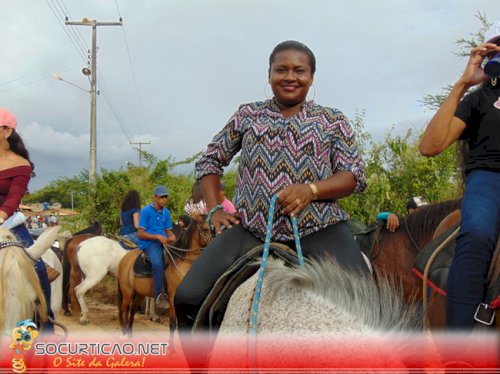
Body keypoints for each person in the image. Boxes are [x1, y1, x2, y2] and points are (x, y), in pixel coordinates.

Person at [174, 40, 369, 358]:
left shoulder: (332, 120)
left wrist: (311, 190)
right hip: (252, 229)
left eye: (299, 70)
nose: (290, 76)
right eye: (281, 69)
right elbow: (210, 161)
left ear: (311, 77)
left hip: (320, 228)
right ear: (269, 75)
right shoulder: (248, 115)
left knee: (366, 300)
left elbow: (353, 176)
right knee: (187, 296)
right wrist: (214, 211)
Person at [419, 22, 500, 330]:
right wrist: (464, 83)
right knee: (477, 233)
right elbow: (430, 146)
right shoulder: (479, 99)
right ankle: (460, 344)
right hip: (489, 178)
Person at [0, 108, 54, 332]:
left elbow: (14, 197)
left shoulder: (21, 164)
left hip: (8, 221)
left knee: (37, 265)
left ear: (6, 131)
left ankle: (47, 320)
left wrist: (1, 216)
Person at [137, 185, 177, 307]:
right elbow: (140, 233)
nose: (164, 199)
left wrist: (172, 237)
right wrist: (157, 237)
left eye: (165, 197)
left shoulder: (167, 212)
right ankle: (158, 296)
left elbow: (169, 231)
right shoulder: (146, 211)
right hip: (149, 243)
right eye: (161, 197)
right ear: (155, 197)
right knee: (158, 264)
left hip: (163, 241)